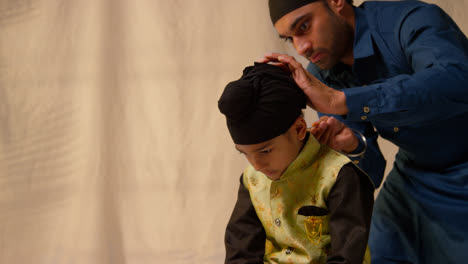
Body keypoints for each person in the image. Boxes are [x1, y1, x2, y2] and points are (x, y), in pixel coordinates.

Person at [259, 0, 468, 263]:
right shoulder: (323, 73)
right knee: (374, 253)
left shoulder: (411, 20)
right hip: (415, 176)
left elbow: (457, 81)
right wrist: (353, 146)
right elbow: (373, 171)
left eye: (304, 26)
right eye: (290, 39)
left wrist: (342, 100)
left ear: (336, 3)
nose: (302, 47)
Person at [218, 62, 374, 264]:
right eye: (244, 154)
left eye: (265, 151)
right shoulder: (252, 179)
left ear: (299, 129)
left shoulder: (339, 176)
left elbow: (347, 257)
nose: (256, 165)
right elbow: (241, 249)